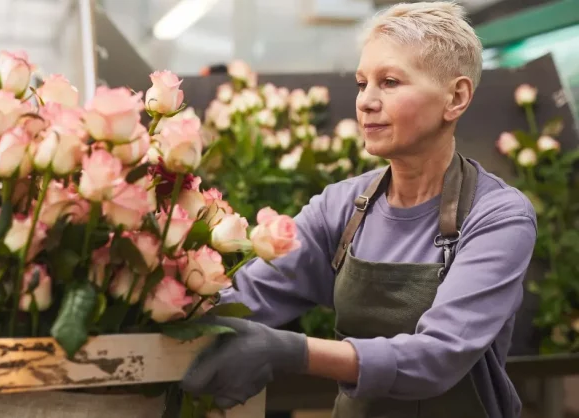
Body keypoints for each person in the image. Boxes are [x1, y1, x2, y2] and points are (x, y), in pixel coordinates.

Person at [181, 2, 537, 418]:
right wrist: (150, 295)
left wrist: (292, 351)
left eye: (389, 82)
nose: (366, 101)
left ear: (455, 97)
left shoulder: (497, 216)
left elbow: (438, 357)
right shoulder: (341, 208)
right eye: (361, 82)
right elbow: (245, 298)